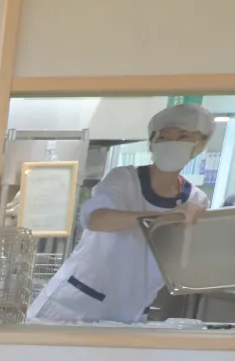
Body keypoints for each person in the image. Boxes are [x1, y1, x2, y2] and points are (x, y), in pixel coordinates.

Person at [26, 104, 215, 324]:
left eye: (183, 137)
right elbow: (96, 219)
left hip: (132, 311)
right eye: (164, 137)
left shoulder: (196, 200)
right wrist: (163, 218)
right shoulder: (123, 179)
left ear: (200, 145)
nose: (172, 144)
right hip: (75, 305)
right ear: (152, 143)